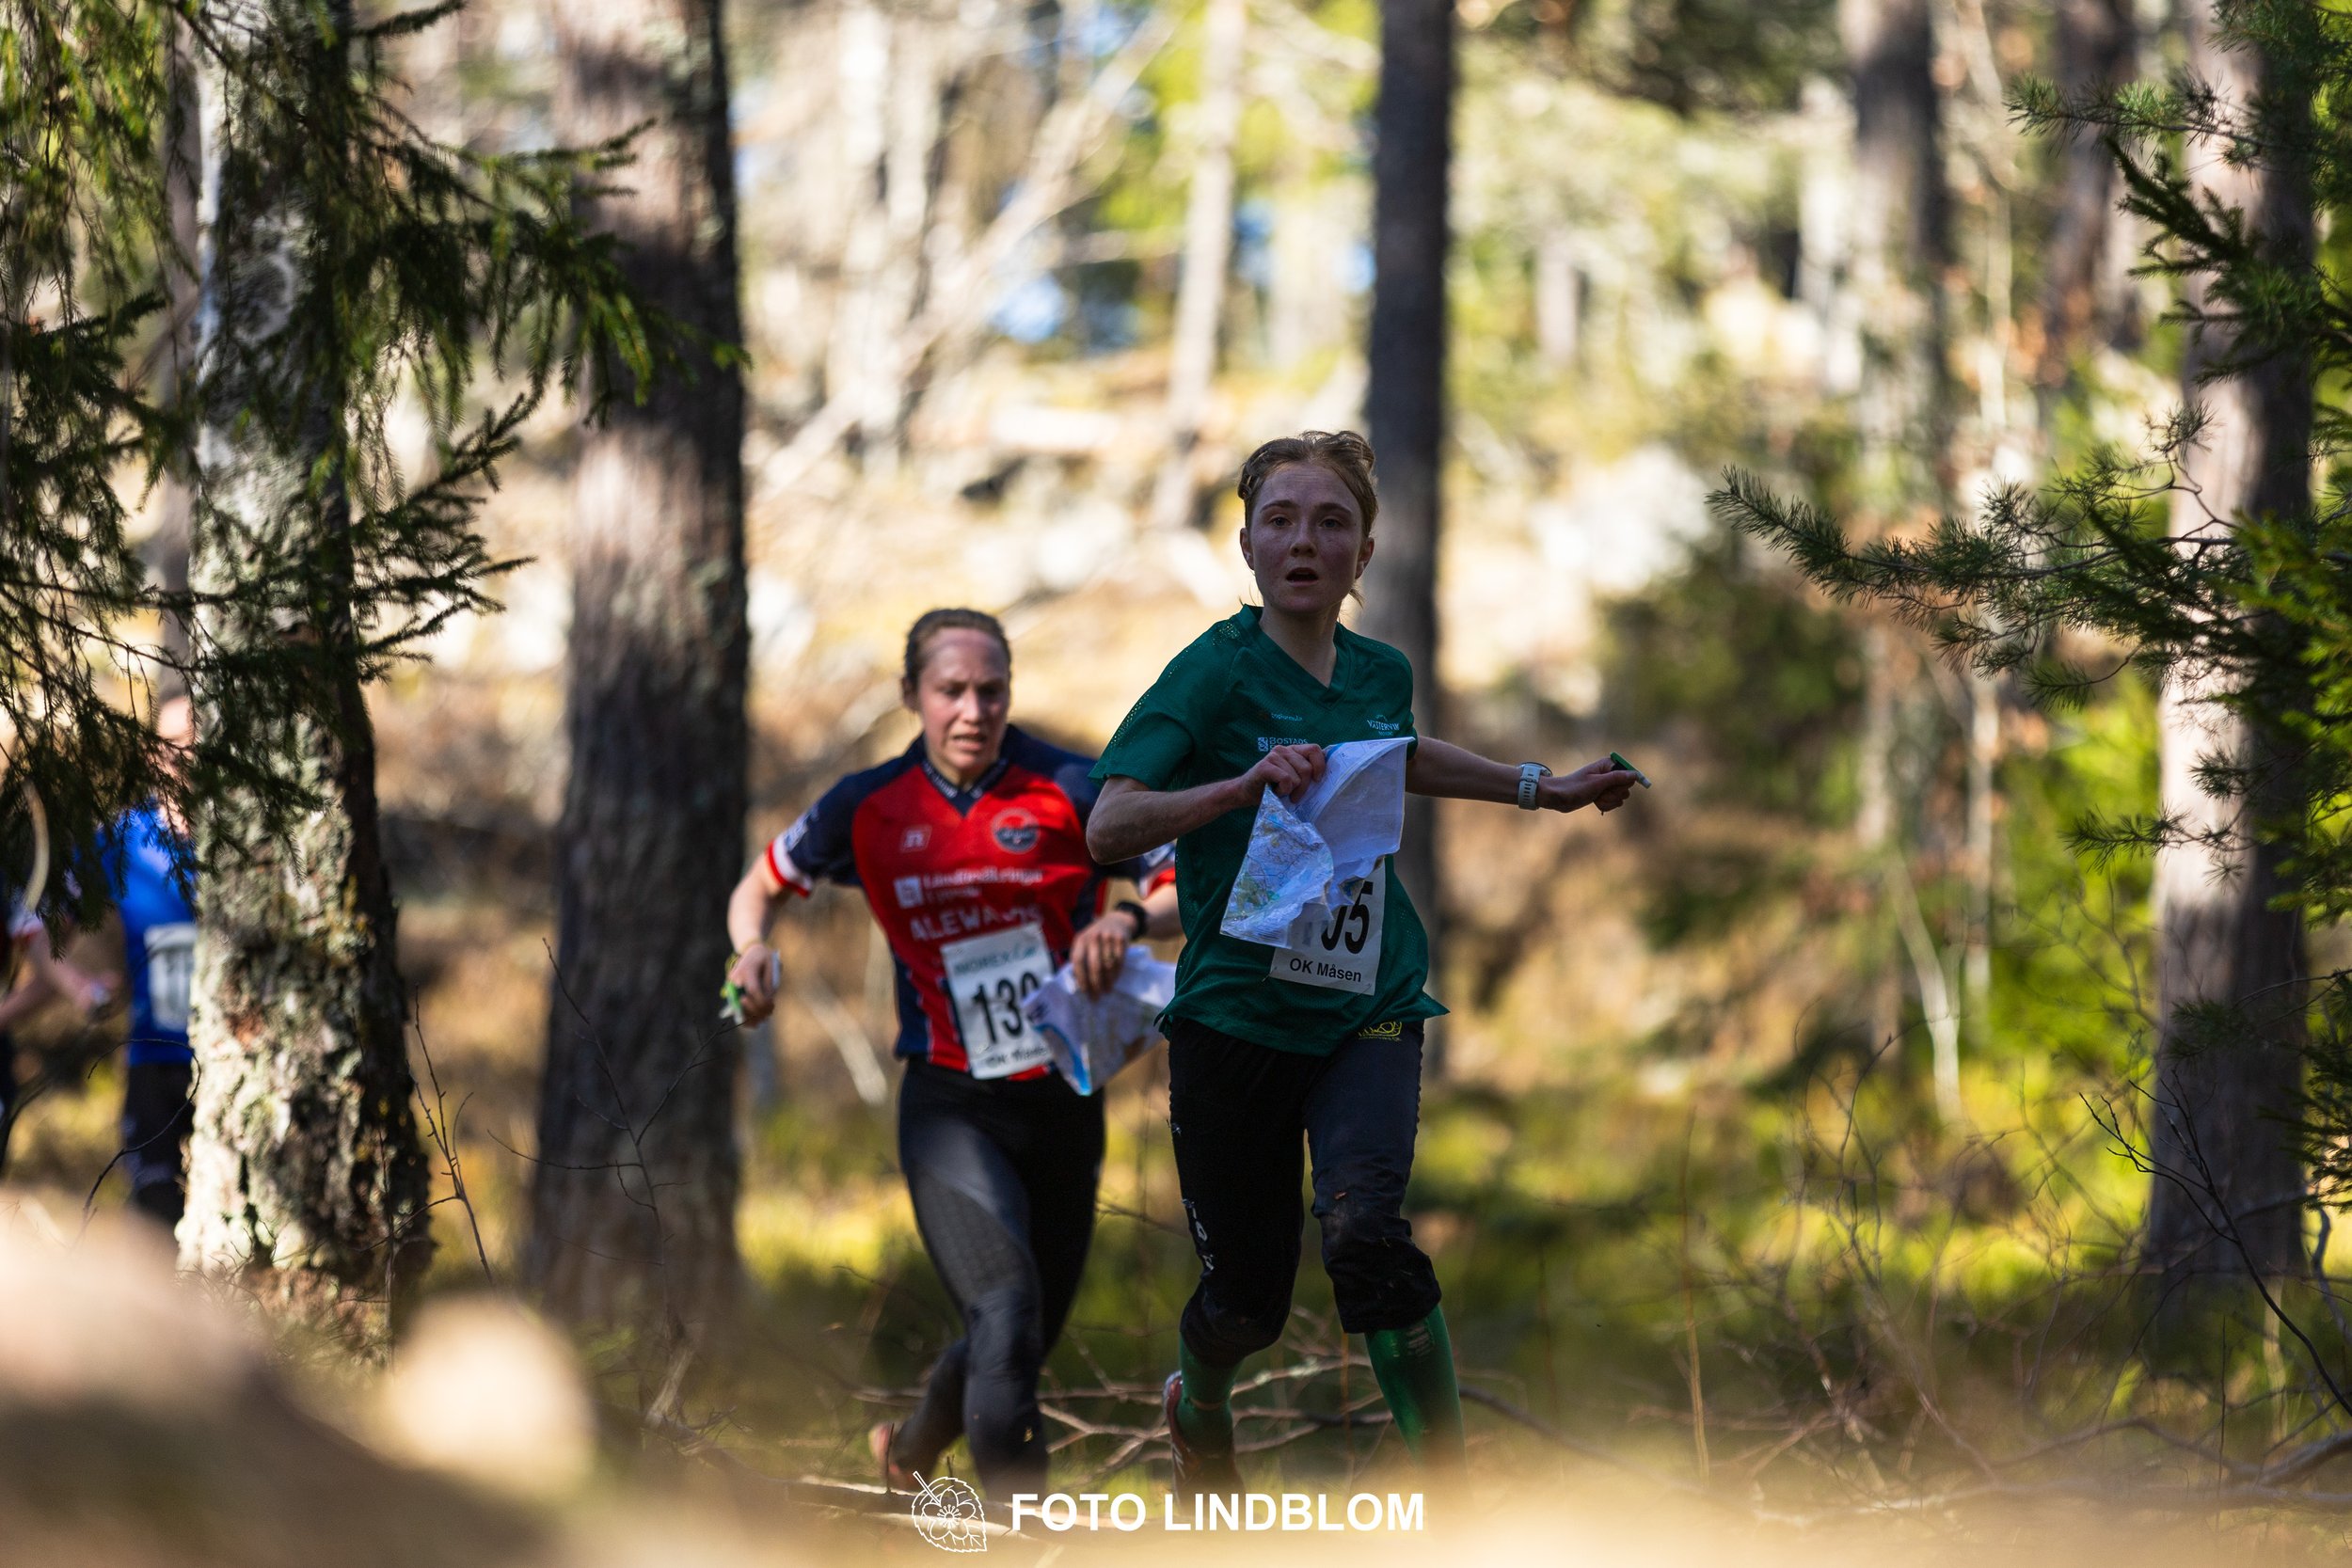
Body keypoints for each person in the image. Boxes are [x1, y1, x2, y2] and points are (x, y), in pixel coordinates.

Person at [1084, 430, 1640, 1488]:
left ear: (1364, 552)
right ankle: (1197, 1405)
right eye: (1281, 520)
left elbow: (1400, 752)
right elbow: (1110, 825)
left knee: (1367, 1236)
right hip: (1233, 1019)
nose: (1305, 540)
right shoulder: (1209, 673)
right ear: (1247, 544)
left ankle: (1452, 1502)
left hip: (1366, 1002)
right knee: (1246, 1299)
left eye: (1330, 521)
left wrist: (1541, 787)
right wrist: (1238, 786)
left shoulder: (1380, 669)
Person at [723, 608, 1180, 1498]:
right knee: (1005, 1313)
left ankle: (908, 1453)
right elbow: (761, 887)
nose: (974, 709)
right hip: (950, 1104)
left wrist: (1125, 922)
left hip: (1062, 1094)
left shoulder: (1076, 785)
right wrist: (749, 953)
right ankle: (1021, 1533)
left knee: (1021, 1335)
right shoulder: (867, 806)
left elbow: (1180, 888)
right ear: (912, 697)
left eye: (992, 689)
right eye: (951, 690)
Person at [2, 695, 199, 1225]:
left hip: (241, 1064)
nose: (187, 754)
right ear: (152, 754)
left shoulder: (249, 838)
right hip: (157, 1066)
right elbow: (41, 932)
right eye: (174, 744)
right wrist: (81, 989)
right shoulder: (122, 840)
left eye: (199, 741)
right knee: (155, 1221)